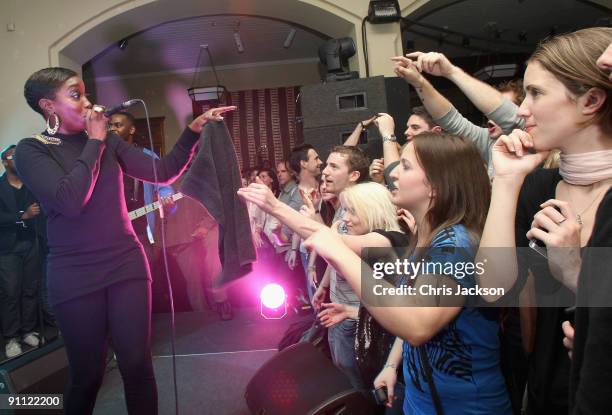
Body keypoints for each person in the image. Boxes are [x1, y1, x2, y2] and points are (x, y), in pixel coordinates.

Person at [15, 66, 235, 414]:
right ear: (48, 106)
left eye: (86, 92)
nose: (88, 102)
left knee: (137, 364)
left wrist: (192, 132)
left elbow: (162, 172)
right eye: (75, 95)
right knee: (87, 375)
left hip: (125, 264)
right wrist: (94, 142)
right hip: (75, 274)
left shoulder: (109, 142)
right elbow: (70, 200)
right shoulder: (32, 150)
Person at [299, 133, 511, 414]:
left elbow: (417, 325)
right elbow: (410, 306)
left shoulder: (456, 244)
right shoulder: (430, 238)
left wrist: (337, 251)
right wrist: (392, 364)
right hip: (423, 396)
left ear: (436, 186)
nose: (393, 173)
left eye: (406, 167)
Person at [475, 27, 612, 414]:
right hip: (541, 394)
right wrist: (507, 180)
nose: (522, 110)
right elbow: (493, 287)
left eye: (536, 93)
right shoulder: (539, 186)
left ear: (591, 100)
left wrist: (575, 272)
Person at [0, 145, 42, 358]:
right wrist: (22, 216)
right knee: (11, 294)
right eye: (12, 157)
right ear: (4, 162)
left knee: (30, 289)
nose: (17, 160)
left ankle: (27, 330)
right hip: (8, 249)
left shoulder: (31, 184)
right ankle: (11, 339)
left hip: (31, 244)